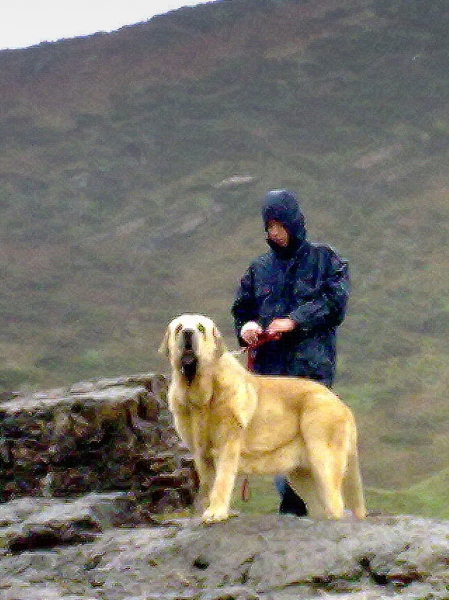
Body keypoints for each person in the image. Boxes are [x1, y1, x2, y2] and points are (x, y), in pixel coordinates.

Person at [231, 188, 350, 516]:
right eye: (269, 227)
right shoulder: (259, 269)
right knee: (280, 443)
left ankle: (306, 510)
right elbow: (242, 309)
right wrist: (247, 328)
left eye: (280, 226)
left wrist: (294, 322)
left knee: (309, 442)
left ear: (294, 223)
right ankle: (301, 511)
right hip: (270, 375)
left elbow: (334, 304)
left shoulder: (326, 260)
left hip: (312, 372)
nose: (275, 233)